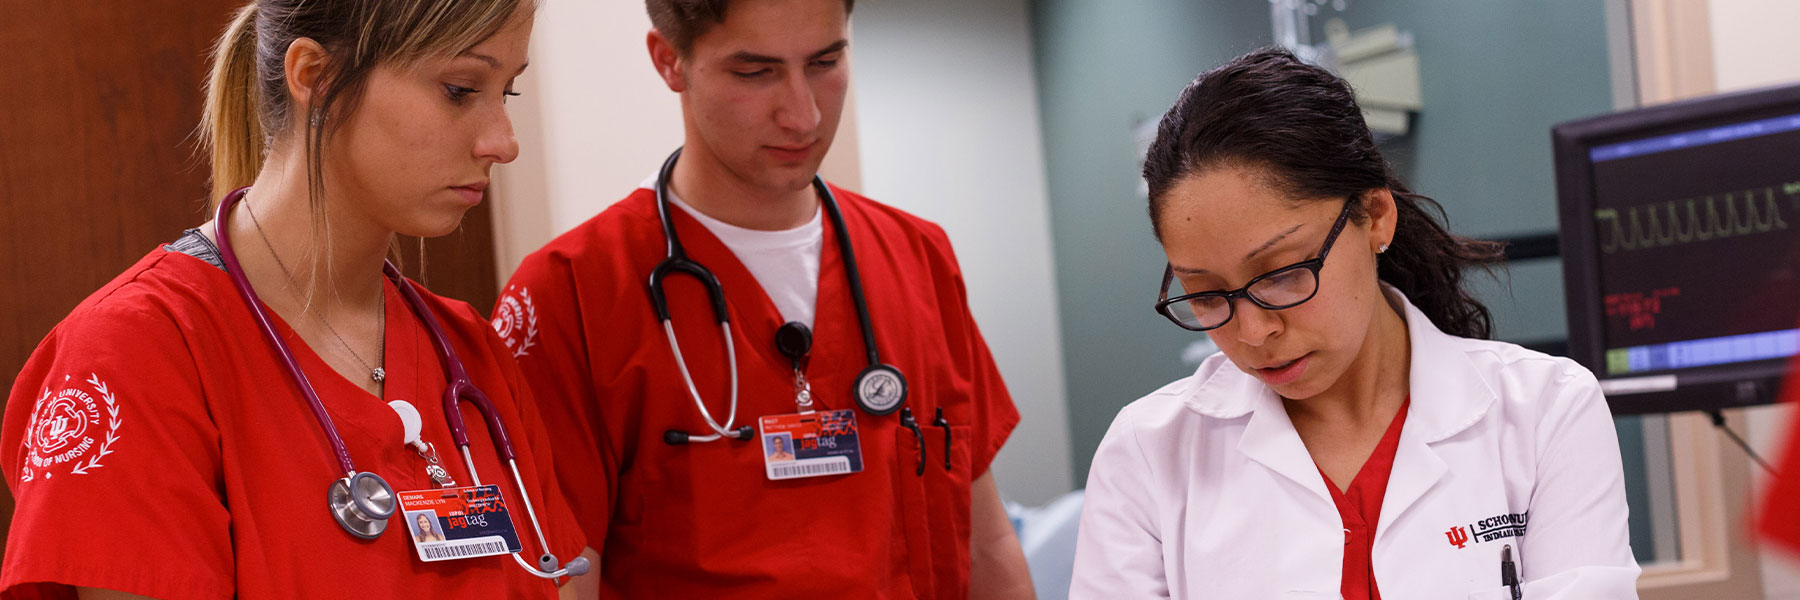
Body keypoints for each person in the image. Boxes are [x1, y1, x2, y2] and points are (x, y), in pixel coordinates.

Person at [1, 1, 596, 598]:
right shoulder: (135, 354)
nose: (503, 142)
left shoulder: (472, 355)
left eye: (508, 93)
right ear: (316, 76)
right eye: (460, 89)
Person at [491, 0, 1033, 597]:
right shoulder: (572, 292)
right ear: (669, 62)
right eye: (756, 73)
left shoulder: (918, 257)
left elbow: (987, 542)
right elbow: (566, 575)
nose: (803, 115)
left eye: (825, 61)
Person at [1070, 47, 1641, 599]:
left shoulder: (1545, 412)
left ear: (1375, 217)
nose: (1252, 333)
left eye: (1282, 274)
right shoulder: (1146, 454)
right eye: (1205, 294)